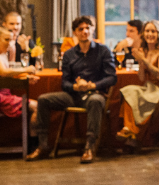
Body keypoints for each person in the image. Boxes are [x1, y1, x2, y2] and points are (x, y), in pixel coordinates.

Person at [28, 16, 116, 164]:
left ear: (93, 30)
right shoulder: (69, 54)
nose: (85, 32)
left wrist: (93, 85)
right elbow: (65, 83)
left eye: (88, 28)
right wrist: (75, 86)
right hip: (74, 95)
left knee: (95, 101)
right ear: (75, 33)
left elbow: (112, 78)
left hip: (95, 93)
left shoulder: (103, 50)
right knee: (43, 99)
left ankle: (89, 147)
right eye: (81, 29)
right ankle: (43, 145)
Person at [117, 20, 159, 142]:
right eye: (147, 31)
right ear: (143, 34)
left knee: (132, 93)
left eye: (153, 31)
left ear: (158, 34)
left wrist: (144, 60)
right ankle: (129, 129)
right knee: (127, 90)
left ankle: (132, 131)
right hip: (149, 88)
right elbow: (141, 78)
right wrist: (141, 62)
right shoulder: (145, 50)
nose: (150, 34)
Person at [0, 27, 38, 122]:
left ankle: (32, 136)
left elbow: (7, 76)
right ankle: (34, 137)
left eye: (11, 40)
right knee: (37, 107)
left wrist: (26, 78)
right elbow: (4, 72)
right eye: (6, 39)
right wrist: (26, 70)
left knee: (38, 106)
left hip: (3, 96)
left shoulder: (2, 54)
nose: (9, 43)